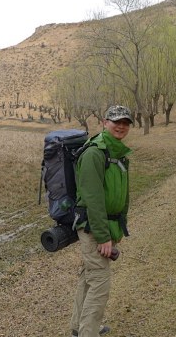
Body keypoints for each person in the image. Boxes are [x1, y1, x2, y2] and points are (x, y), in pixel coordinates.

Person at [70, 105, 133, 337]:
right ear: (104, 122)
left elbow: (122, 193)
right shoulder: (95, 153)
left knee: (89, 277)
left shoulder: (118, 153)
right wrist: (103, 235)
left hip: (107, 224)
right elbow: (92, 198)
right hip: (93, 226)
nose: (121, 126)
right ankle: (89, 333)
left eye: (126, 122)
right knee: (100, 281)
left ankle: (81, 328)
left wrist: (119, 226)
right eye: (116, 121)